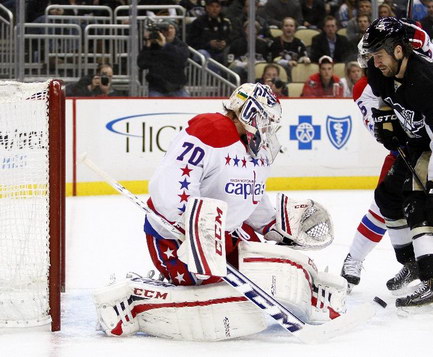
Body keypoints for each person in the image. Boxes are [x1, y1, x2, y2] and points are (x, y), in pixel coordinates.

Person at [92, 83, 346, 341]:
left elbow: (250, 196)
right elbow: (169, 186)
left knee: (274, 270)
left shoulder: (257, 148)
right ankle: (132, 299)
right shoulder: (211, 130)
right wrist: (190, 226)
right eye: (265, 119)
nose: (267, 127)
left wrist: (271, 226)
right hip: (177, 237)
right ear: (247, 112)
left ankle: (311, 294)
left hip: (224, 231)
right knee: (226, 303)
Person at [341, 20, 433, 301]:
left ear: (398, 50)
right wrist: (385, 120)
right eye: (371, 57)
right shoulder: (380, 69)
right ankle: (414, 264)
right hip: (419, 141)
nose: (372, 63)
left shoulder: (429, 78)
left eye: (378, 56)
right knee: (387, 198)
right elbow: (384, 96)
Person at [137, 18, 190, 97]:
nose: (168, 31)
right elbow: (141, 64)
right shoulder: (153, 46)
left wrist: (165, 45)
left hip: (178, 89)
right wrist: (147, 46)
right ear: (161, 31)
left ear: (176, 30)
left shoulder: (181, 45)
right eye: (165, 29)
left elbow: (181, 59)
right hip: (157, 89)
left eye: (171, 28)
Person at [187, 0, 231, 66]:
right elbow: (191, 42)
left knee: (230, 53)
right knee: (202, 54)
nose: (214, 9)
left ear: (220, 8)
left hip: (221, 52)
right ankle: (216, 75)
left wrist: (225, 42)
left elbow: (230, 38)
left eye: (217, 6)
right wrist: (209, 44)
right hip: (205, 51)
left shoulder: (225, 22)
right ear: (207, 8)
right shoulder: (198, 22)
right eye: (212, 6)